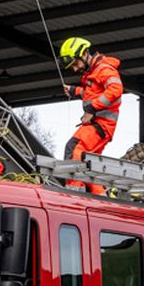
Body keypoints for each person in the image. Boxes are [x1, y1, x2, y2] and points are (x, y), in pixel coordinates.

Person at [58, 36, 122, 194]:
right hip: (100, 125)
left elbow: (115, 89)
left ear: (85, 54)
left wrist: (92, 109)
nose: (74, 69)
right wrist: (75, 91)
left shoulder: (103, 69)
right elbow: (93, 92)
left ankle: (74, 196)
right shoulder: (93, 71)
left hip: (101, 124)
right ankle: (101, 199)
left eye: (75, 63)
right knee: (90, 164)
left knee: (74, 149)